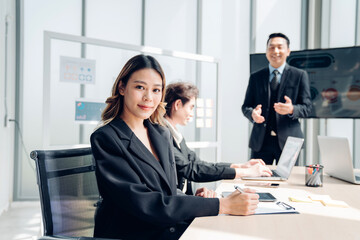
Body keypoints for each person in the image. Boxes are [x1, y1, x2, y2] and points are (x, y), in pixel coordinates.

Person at [90, 54, 260, 240]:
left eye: (156, 90)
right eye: (140, 87)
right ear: (122, 87)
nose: (148, 97)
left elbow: (168, 192)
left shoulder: (160, 134)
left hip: (169, 229)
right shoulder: (106, 138)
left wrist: (196, 200)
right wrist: (222, 205)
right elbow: (146, 204)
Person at [164, 82, 272, 195]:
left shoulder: (175, 134)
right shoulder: (163, 135)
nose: (192, 113)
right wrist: (245, 172)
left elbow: (198, 163)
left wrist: (239, 166)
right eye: (191, 107)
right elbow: (190, 170)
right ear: (177, 104)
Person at [242, 33, 312, 165]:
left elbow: (307, 108)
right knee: (257, 181)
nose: (275, 51)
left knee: (288, 183)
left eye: (280, 47)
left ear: (288, 51)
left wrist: (292, 109)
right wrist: (252, 114)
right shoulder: (256, 77)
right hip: (261, 142)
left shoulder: (300, 75)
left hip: (289, 142)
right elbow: (245, 106)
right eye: (271, 47)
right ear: (266, 51)